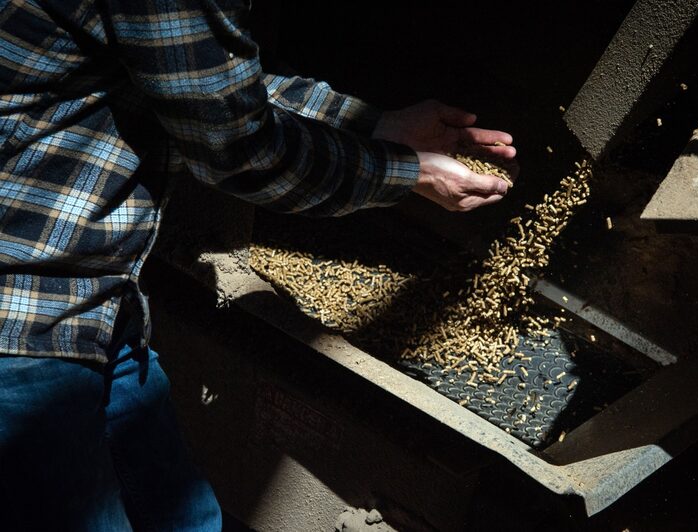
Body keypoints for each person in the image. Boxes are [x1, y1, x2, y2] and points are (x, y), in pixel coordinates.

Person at [0, 1, 516, 529]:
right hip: (24, 319)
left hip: (103, 308)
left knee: (190, 521)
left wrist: (374, 124)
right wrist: (404, 173)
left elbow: (206, 83)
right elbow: (240, 148)